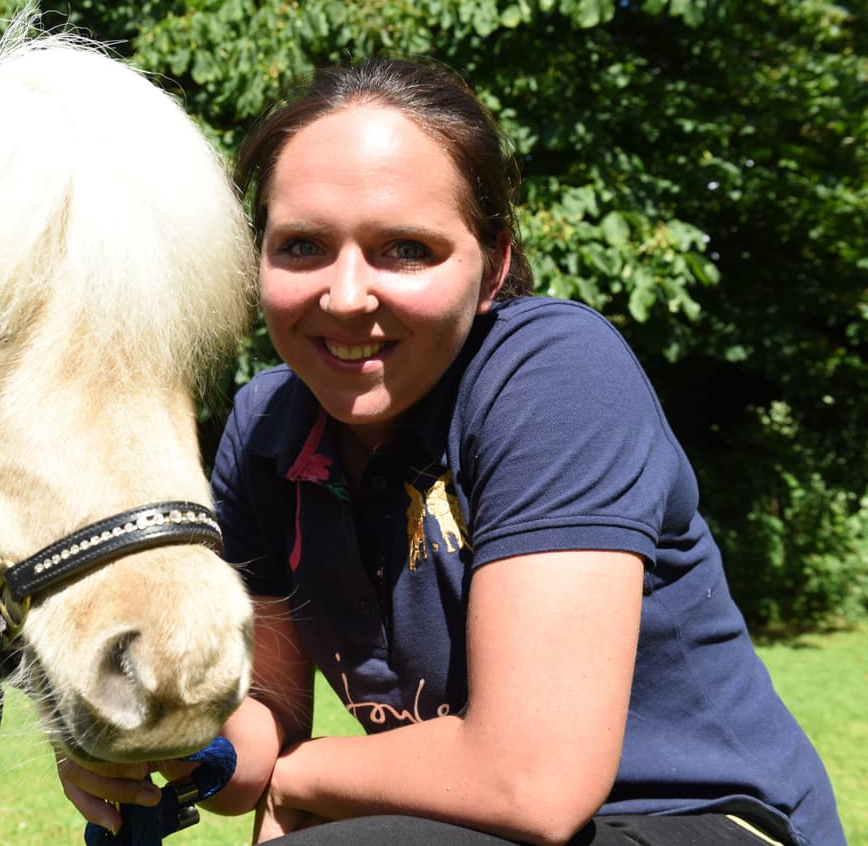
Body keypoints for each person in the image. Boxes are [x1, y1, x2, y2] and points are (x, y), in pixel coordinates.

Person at [58, 59, 845, 846]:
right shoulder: (267, 430)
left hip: (708, 822)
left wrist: (303, 779)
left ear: (494, 262)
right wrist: (165, 742)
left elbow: (533, 780)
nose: (345, 295)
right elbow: (266, 726)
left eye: (405, 249)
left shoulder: (553, 376)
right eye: (302, 245)